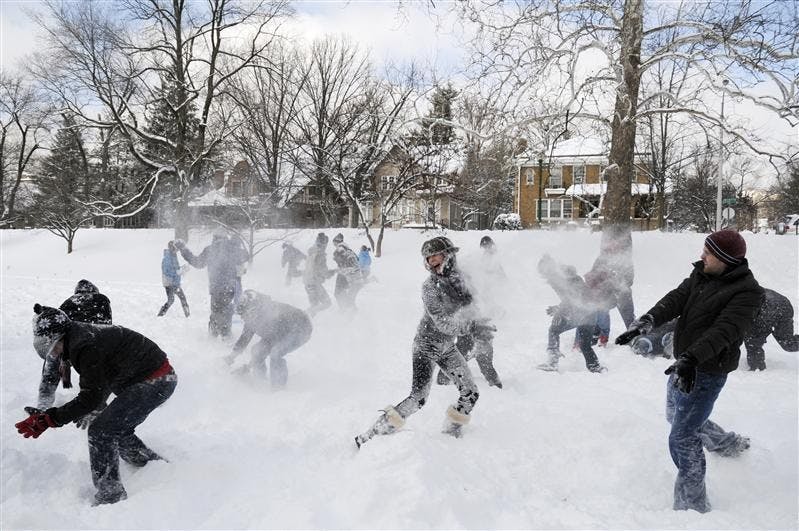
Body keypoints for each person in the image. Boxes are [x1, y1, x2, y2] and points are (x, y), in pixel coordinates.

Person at [616, 229, 763, 513]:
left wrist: (692, 359)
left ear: (725, 260)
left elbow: (726, 330)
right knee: (676, 415)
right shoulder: (702, 274)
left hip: (705, 370)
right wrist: (646, 321)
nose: (701, 255)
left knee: (682, 437)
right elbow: (676, 299)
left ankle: (692, 507)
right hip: (684, 364)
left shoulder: (747, 293)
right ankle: (726, 443)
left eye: (708, 253)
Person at [15, 304, 177, 506]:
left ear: (61, 336)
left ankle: (111, 495)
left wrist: (50, 419)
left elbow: (90, 396)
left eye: (53, 344)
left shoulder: (83, 345)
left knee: (101, 431)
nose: (53, 352)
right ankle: (149, 464)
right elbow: (100, 381)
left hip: (157, 380)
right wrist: (89, 406)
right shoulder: (77, 337)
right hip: (148, 378)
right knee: (114, 428)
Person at [355, 236, 495, 448]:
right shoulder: (429, 288)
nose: (431, 261)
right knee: (418, 398)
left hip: (447, 347)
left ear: (448, 255)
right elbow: (442, 323)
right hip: (426, 346)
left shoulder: (463, 280)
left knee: (471, 392)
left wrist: (484, 320)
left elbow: (474, 306)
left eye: (435, 256)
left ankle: (451, 433)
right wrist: (471, 328)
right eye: (428, 258)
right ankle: (373, 434)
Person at [37, 280, 114, 411]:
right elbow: (107, 326)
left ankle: (43, 405)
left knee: (51, 366)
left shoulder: (68, 301)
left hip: (64, 343)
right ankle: (95, 403)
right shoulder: (102, 300)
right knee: (93, 371)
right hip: (89, 343)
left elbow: (59, 325)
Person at [225, 290, 313, 387]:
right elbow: (244, 339)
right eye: (242, 315)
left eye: (245, 314)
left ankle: (278, 388)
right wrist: (231, 358)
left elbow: (276, 339)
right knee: (256, 351)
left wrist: (249, 366)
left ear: (253, 310)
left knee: (276, 352)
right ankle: (260, 380)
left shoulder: (272, 314)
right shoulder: (251, 319)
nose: (243, 318)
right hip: (278, 332)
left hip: (301, 328)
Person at [537, 254, 607, 373]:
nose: (544, 276)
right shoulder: (567, 276)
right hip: (590, 313)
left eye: (544, 272)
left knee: (554, 330)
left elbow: (573, 299)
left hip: (582, 313)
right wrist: (559, 308)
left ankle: (552, 362)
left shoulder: (560, 279)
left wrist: (559, 311)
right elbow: (572, 298)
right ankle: (595, 367)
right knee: (585, 344)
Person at [175, 230, 248, 338]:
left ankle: (214, 335)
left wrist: (183, 249)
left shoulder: (210, 249)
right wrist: (237, 243)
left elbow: (197, 263)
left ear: (214, 238)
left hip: (216, 287)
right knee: (227, 310)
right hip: (229, 287)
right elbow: (246, 256)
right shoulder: (232, 249)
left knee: (216, 311)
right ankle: (226, 335)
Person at [743, 287, 799, 370]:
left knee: (752, 339)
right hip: (776, 303)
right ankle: (756, 366)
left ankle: (756, 369)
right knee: (787, 343)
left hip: (770, 307)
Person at [303, 232, 335, 316]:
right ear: (324, 243)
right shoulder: (320, 254)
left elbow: (311, 267)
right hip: (314, 283)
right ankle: (304, 315)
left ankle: (306, 319)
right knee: (327, 302)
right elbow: (324, 272)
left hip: (308, 282)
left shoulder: (312, 251)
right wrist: (334, 271)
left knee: (314, 305)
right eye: (326, 243)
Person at [331, 233, 364, 312]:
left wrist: (342, 271)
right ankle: (347, 311)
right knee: (345, 297)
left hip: (355, 281)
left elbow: (355, 267)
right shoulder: (346, 250)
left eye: (334, 242)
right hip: (353, 280)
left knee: (344, 297)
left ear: (336, 242)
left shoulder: (342, 250)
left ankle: (348, 313)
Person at [158, 241, 190, 318]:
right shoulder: (167, 257)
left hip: (175, 283)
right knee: (171, 300)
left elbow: (176, 269)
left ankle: (188, 316)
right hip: (169, 283)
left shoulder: (174, 256)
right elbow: (167, 271)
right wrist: (178, 272)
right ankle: (160, 314)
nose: (177, 251)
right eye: (176, 249)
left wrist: (183, 269)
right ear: (172, 248)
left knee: (182, 298)